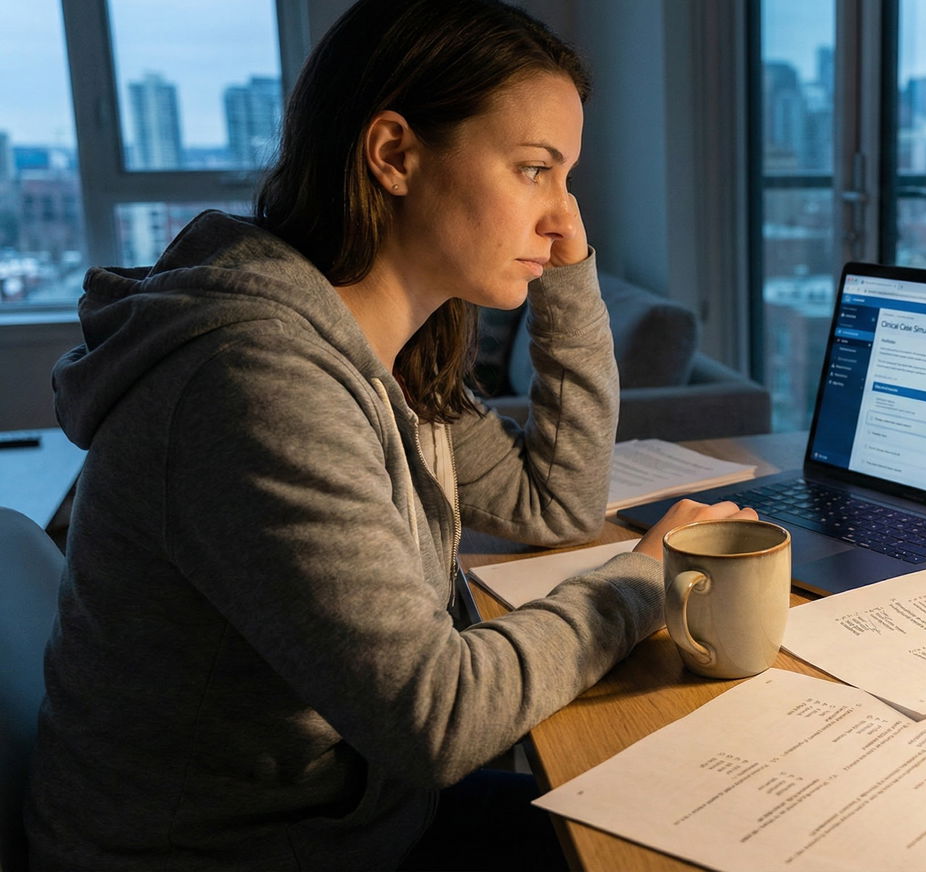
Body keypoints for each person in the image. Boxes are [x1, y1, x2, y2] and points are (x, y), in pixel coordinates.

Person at [24, 1, 750, 869]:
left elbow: (555, 502)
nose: (564, 219)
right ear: (395, 155)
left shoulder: (390, 354)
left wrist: (564, 281)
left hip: (361, 817)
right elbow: (437, 720)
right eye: (532, 170)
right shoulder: (255, 384)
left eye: (568, 178)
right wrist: (640, 585)